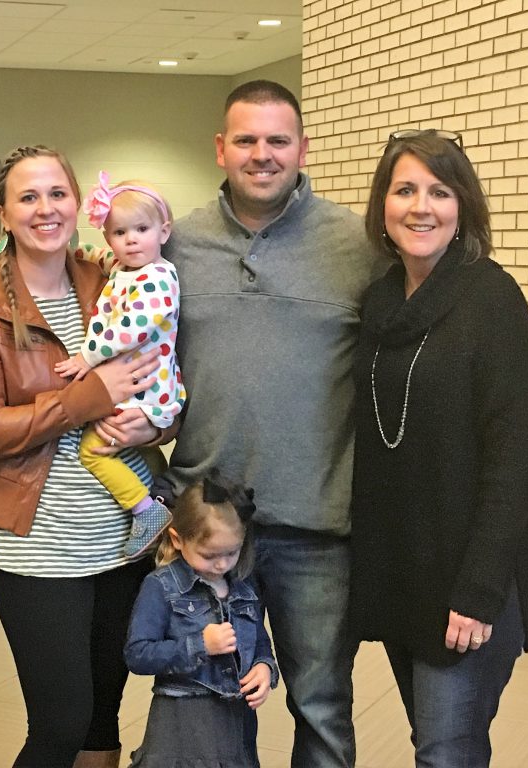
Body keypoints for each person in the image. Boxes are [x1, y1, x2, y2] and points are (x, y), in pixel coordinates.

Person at [163, 80, 384, 767]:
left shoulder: (358, 245)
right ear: (221, 148)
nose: (262, 154)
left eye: (278, 140)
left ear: (302, 149)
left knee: (320, 706)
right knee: (207, 701)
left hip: (317, 529)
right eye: (247, 140)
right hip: (205, 523)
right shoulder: (176, 244)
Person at [0, 145, 163, 768]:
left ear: (78, 203)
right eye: (28, 197)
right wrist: (85, 398)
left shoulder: (110, 278)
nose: (46, 209)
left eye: (58, 193)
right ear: (3, 214)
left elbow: (159, 372)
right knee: (60, 723)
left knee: (102, 716)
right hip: (39, 547)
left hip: (124, 535)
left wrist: (154, 425)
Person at [351, 129, 528, 767]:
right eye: (404, 190)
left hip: (470, 577)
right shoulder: (381, 301)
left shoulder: (492, 301)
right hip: (405, 572)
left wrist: (480, 589)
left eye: (439, 192)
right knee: (436, 742)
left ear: (463, 205)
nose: (421, 207)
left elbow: (516, 461)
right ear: (382, 205)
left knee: (445, 751)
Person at [54, 172, 185, 558]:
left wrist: (86, 356)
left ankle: (145, 510)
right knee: (123, 446)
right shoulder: (126, 268)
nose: (131, 240)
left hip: (146, 388)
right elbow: (103, 258)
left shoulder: (158, 278)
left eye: (142, 229)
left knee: (92, 450)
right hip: (134, 386)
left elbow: (129, 329)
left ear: (164, 231)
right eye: (119, 232)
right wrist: (80, 253)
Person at [125, 473, 277, 767]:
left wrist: (264, 667)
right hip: (181, 727)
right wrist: (199, 645)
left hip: (235, 728)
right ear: (178, 539)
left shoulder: (243, 587)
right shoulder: (160, 586)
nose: (221, 564)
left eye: (231, 553)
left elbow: (259, 641)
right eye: (209, 555)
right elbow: (138, 654)